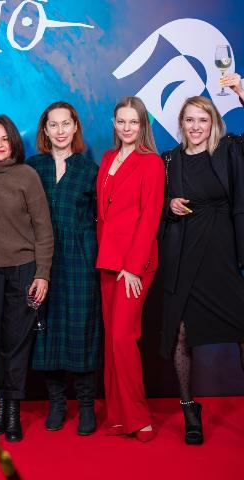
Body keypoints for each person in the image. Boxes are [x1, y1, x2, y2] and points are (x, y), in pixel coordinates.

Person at [159, 76, 244, 446]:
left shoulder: (228, 151)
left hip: (223, 252)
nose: (195, 126)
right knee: (181, 332)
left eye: (203, 120)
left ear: (213, 123)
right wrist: (169, 205)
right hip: (184, 255)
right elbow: (151, 204)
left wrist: (241, 92)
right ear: (181, 123)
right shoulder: (169, 160)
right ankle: (189, 409)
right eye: (189, 119)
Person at [0, 115, 54, 442]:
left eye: (4, 138)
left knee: (17, 342)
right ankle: (0, 404)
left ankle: (12, 408)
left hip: (23, 269)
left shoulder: (27, 176)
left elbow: (43, 229)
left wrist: (42, 273)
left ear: (13, 141)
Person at [28, 102, 102, 435]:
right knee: (48, 331)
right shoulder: (33, 167)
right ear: (45, 130)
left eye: (65, 124)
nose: (60, 131)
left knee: (81, 329)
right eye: (53, 125)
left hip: (81, 259)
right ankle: (57, 403)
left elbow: (105, 217)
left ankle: (86, 405)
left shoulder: (90, 170)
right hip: (43, 261)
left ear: (75, 127)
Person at [96, 96, 164, 442]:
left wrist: (134, 267)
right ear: (114, 123)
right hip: (108, 261)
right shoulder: (108, 158)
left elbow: (150, 216)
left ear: (143, 125)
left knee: (123, 338)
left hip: (134, 265)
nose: (127, 128)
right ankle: (118, 416)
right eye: (121, 121)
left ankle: (139, 416)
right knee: (112, 340)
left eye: (133, 122)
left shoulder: (151, 162)